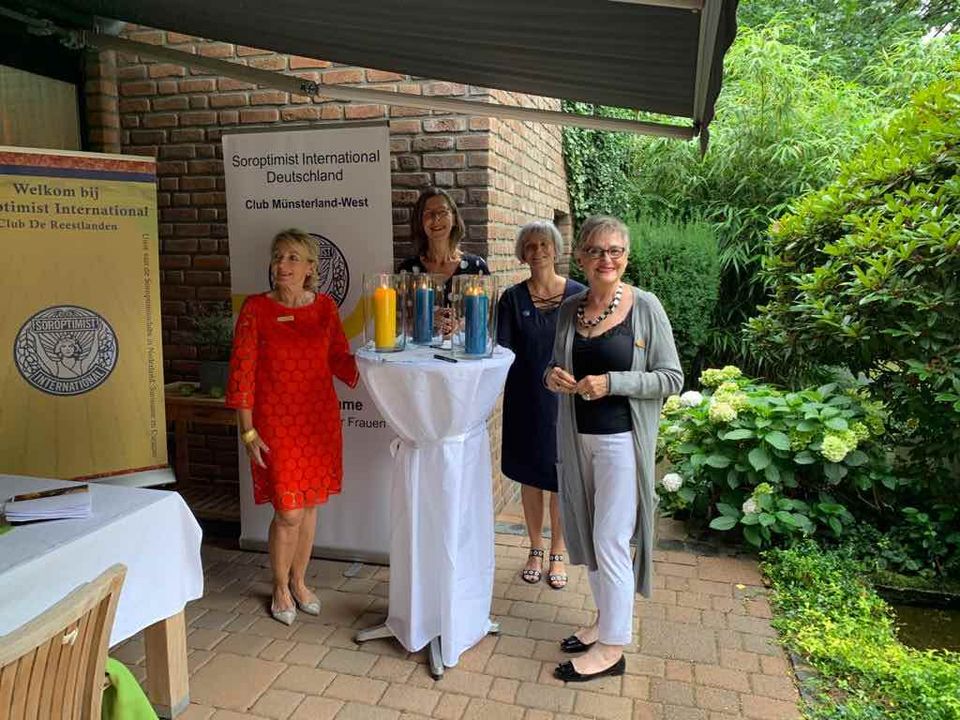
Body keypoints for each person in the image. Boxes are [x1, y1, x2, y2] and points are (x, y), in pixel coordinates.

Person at [544, 215, 683, 682]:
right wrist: (552, 377)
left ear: (626, 256)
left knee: (610, 539)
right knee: (588, 533)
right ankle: (604, 620)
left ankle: (612, 647)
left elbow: (671, 378)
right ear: (581, 257)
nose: (606, 259)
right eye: (596, 250)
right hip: (577, 440)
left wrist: (613, 383)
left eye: (615, 250)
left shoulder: (646, 307)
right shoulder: (571, 309)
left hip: (622, 443)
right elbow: (552, 365)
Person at [226, 228, 359, 626]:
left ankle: (300, 582)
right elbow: (242, 372)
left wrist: (379, 361)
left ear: (310, 268)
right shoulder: (256, 309)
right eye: (278, 257)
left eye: (292, 258)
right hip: (276, 423)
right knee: (288, 512)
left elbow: (339, 358)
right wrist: (247, 430)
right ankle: (280, 586)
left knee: (310, 506)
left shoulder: (325, 308)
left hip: (317, 421)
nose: (282, 265)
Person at [497, 221, 584, 590]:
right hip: (525, 400)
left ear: (556, 249)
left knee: (561, 478)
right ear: (522, 254)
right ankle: (535, 548)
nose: (537, 251)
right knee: (531, 478)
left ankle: (558, 552)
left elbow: (588, 345)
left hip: (566, 401)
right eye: (530, 246)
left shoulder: (578, 295)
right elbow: (501, 350)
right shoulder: (511, 299)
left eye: (544, 244)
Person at [399, 187, 490, 306]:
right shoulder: (407, 271)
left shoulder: (476, 268)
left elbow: (487, 314)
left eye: (442, 212)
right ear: (420, 222)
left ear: (454, 219)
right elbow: (400, 315)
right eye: (428, 213)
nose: (436, 218)